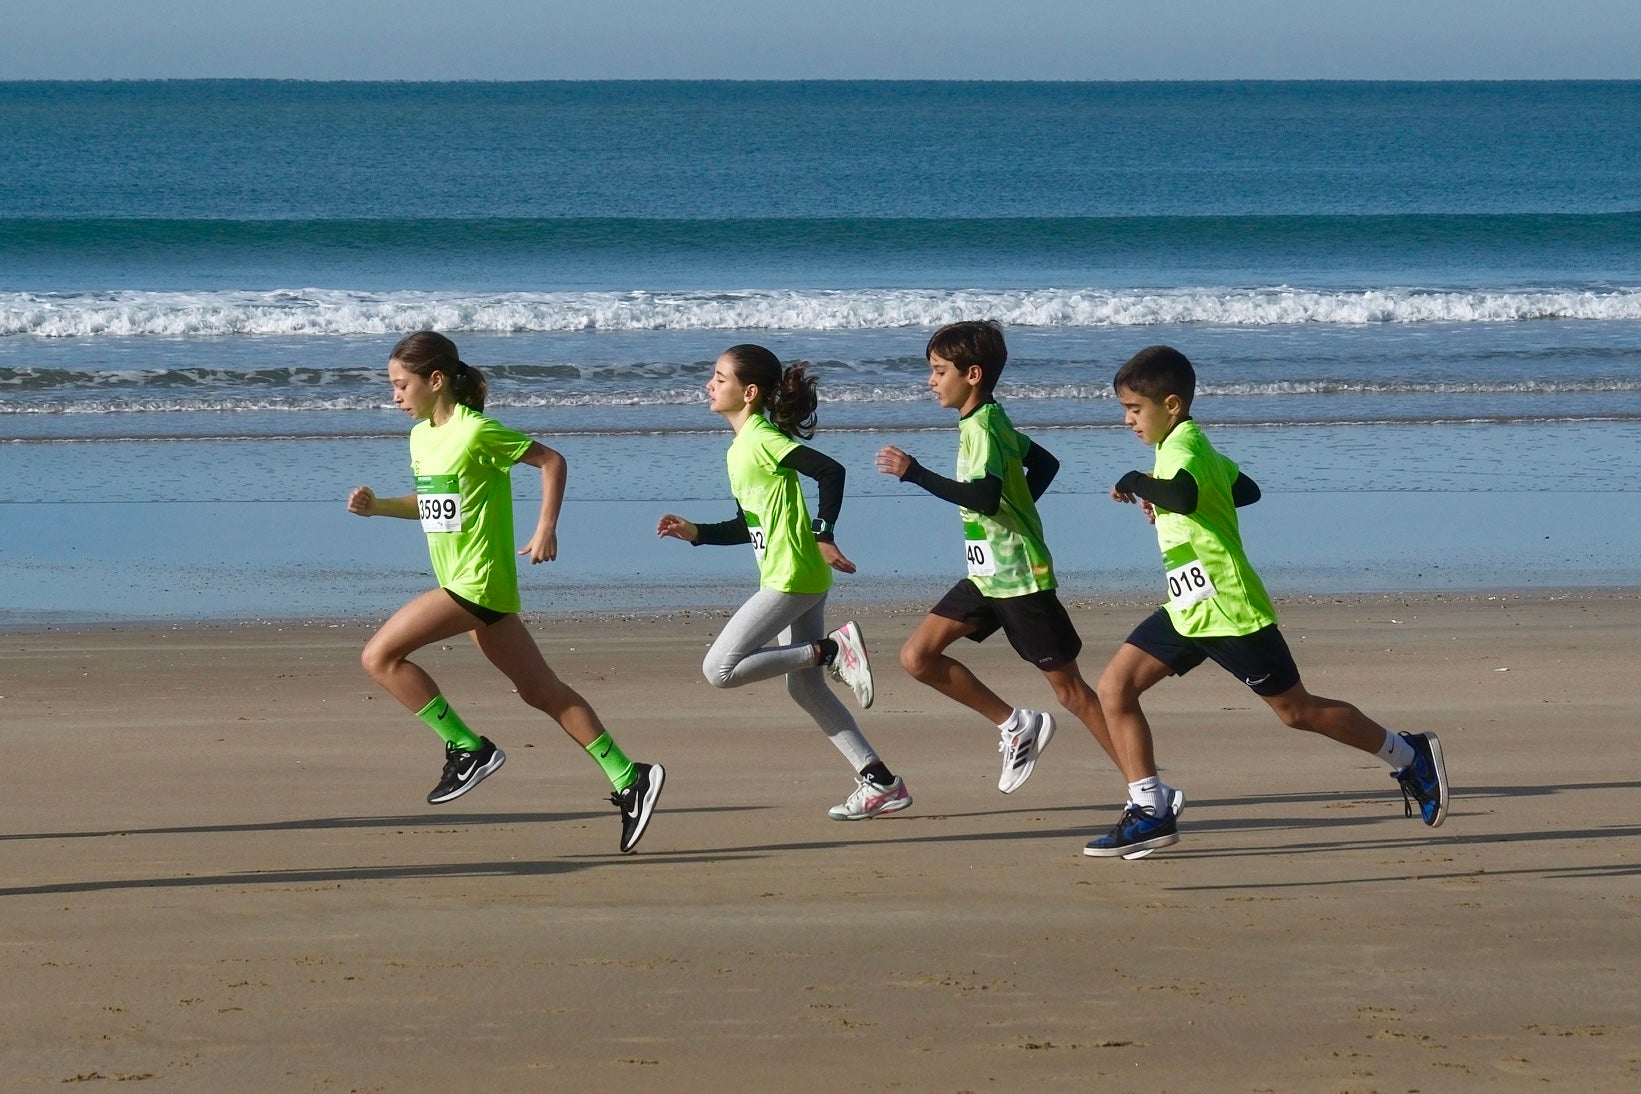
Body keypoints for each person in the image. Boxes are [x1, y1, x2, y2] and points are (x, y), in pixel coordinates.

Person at [1089, 343, 1449, 859]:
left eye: (1134, 409)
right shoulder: (1192, 450)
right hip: (1189, 606)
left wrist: (1137, 483)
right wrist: (1168, 502)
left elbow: (1188, 496)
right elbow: (1246, 490)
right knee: (1115, 687)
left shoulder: (1185, 448)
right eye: (1124, 410)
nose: (1127, 420)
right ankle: (1151, 809)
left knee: (1296, 711)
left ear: (1171, 405)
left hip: (1230, 608)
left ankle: (1408, 754)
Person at [346, 330, 664, 854]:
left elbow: (551, 461)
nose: (395, 396)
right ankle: (631, 777)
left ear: (436, 380)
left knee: (380, 656)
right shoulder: (422, 437)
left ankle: (468, 747)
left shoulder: (478, 432)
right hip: (463, 584)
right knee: (541, 691)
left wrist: (545, 528)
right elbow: (433, 504)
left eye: (402, 385)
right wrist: (379, 506)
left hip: (479, 583)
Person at [875, 320, 1176, 809]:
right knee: (917, 657)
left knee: (1072, 693)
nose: (931, 381)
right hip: (986, 574)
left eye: (938, 371)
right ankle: (1016, 724)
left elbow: (986, 497)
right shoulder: (987, 422)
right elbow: (1046, 465)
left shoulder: (987, 425)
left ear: (972, 374)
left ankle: (1147, 790)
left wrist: (916, 474)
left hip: (1020, 581)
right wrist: (1020, 513)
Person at [657, 343, 910, 821]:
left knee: (720, 669)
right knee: (806, 689)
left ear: (748, 392)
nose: (709, 385)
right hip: (796, 576)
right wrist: (695, 534)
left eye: (719, 377)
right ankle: (881, 782)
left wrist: (824, 532)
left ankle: (833, 649)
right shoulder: (741, 449)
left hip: (791, 577)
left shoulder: (761, 439)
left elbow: (830, 471)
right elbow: (745, 525)